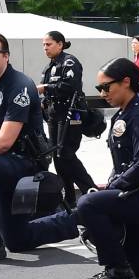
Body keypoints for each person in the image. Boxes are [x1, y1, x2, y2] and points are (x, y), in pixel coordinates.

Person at [0, 32, 74, 264]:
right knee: (18, 240)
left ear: (6, 56)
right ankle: (73, 221)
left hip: (24, 162)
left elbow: (4, 142)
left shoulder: (20, 85)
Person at [78, 57, 139, 279]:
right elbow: (122, 162)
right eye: (99, 88)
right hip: (131, 191)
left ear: (126, 82)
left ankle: (116, 269)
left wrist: (113, 187)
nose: (102, 92)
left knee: (88, 204)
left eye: (106, 87)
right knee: (136, 265)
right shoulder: (122, 114)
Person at [36, 31, 97, 207]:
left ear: (60, 44)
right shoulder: (49, 67)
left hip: (71, 115)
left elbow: (71, 86)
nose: (45, 48)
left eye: (48, 44)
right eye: (43, 45)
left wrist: (46, 88)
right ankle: (69, 198)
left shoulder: (69, 62)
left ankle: (90, 191)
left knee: (66, 154)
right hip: (53, 116)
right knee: (57, 156)